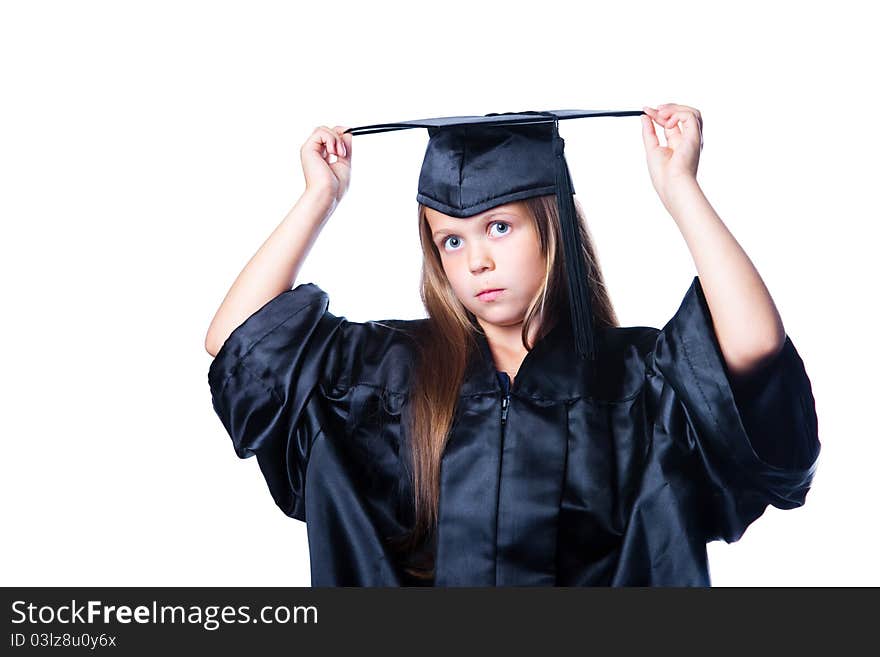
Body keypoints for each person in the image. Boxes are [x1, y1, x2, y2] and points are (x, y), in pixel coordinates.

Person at [205, 104, 821, 586]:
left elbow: (753, 344)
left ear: (550, 224)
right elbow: (237, 342)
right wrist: (321, 197)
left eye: (500, 227)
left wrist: (680, 187)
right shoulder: (388, 372)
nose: (476, 261)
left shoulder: (633, 380)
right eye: (451, 241)